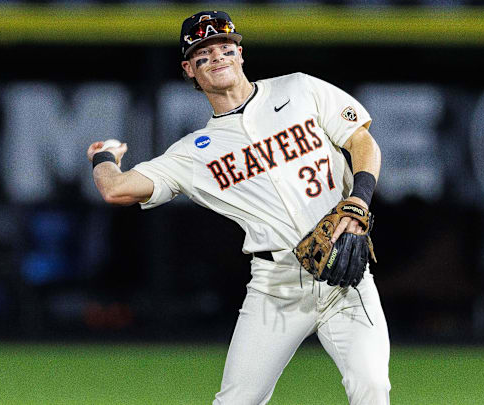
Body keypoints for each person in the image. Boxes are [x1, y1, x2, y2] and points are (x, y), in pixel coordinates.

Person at [87, 10, 390, 404]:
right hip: (275, 287)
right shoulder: (194, 152)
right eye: (203, 53)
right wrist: (103, 157)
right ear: (189, 69)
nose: (217, 56)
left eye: (224, 47)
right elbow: (116, 189)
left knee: (371, 388)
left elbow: (361, 142)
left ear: (240, 53)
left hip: (345, 277)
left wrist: (357, 200)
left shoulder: (299, 89)